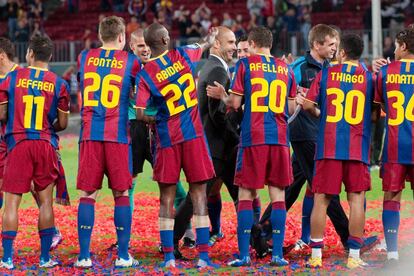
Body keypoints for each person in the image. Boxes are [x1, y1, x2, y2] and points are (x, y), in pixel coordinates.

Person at [207, 26, 296, 267]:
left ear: (253, 44)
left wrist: (222, 95)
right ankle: (277, 254)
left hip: (253, 137)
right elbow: (289, 109)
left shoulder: (245, 66)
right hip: (278, 138)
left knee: (246, 195)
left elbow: (235, 104)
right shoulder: (285, 68)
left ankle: (244, 255)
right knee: (277, 196)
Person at [135, 23, 219, 268]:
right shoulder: (182, 55)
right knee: (199, 195)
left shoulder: (145, 74)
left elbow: (140, 113)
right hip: (193, 137)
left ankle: (169, 257)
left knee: (166, 198)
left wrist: (157, 118)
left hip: (167, 140)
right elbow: (203, 45)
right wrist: (210, 37)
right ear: (163, 40)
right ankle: (203, 257)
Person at [297, 33, 375, 269]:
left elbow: (308, 105)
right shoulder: (369, 77)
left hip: (329, 146)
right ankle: (353, 255)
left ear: (343, 52)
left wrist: (322, 115)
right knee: (357, 199)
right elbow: (375, 111)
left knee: (321, 199)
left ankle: (316, 256)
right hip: (356, 147)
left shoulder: (325, 74)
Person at [75, 16, 141, 268]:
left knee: (87, 194)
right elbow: (136, 91)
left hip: (90, 133)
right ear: (123, 37)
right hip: (118, 135)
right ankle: (123, 255)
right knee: (121, 193)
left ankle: (83, 257)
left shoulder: (84, 57)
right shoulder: (131, 61)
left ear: (100, 35)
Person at [0, 34, 70, 269]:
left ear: (29, 54)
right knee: (46, 203)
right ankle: (44, 258)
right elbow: (62, 123)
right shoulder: (59, 83)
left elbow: (1, 115)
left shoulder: (12, 78)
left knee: (11, 203)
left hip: (18, 143)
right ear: (50, 56)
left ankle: (7, 259)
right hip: (45, 144)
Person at [375, 27, 414, 267]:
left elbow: (380, 109)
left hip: (395, 144)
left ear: (404, 47)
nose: (395, 50)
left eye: (397, 46)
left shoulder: (385, 72)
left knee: (392, 197)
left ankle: (392, 255)